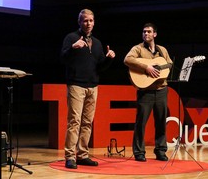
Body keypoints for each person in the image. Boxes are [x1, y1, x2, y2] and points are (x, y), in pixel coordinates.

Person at [60, 9, 116, 169]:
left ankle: (83, 155)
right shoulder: (71, 38)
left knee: (87, 122)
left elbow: (100, 67)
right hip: (76, 85)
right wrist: (73, 47)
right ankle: (70, 156)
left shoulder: (97, 43)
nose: (88, 23)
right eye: (85, 21)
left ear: (94, 22)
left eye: (91, 20)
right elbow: (62, 58)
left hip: (93, 86)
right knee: (74, 122)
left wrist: (109, 59)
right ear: (79, 22)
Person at [124, 22, 173, 162]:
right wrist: (146, 67)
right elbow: (127, 59)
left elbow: (169, 63)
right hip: (146, 91)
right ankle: (139, 152)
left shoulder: (162, 50)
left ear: (155, 34)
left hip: (162, 90)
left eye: (149, 32)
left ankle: (161, 151)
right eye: (144, 31)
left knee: (161, 122)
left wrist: (164, 67)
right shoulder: (138, 49)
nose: (146, 34)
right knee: (141, 122)